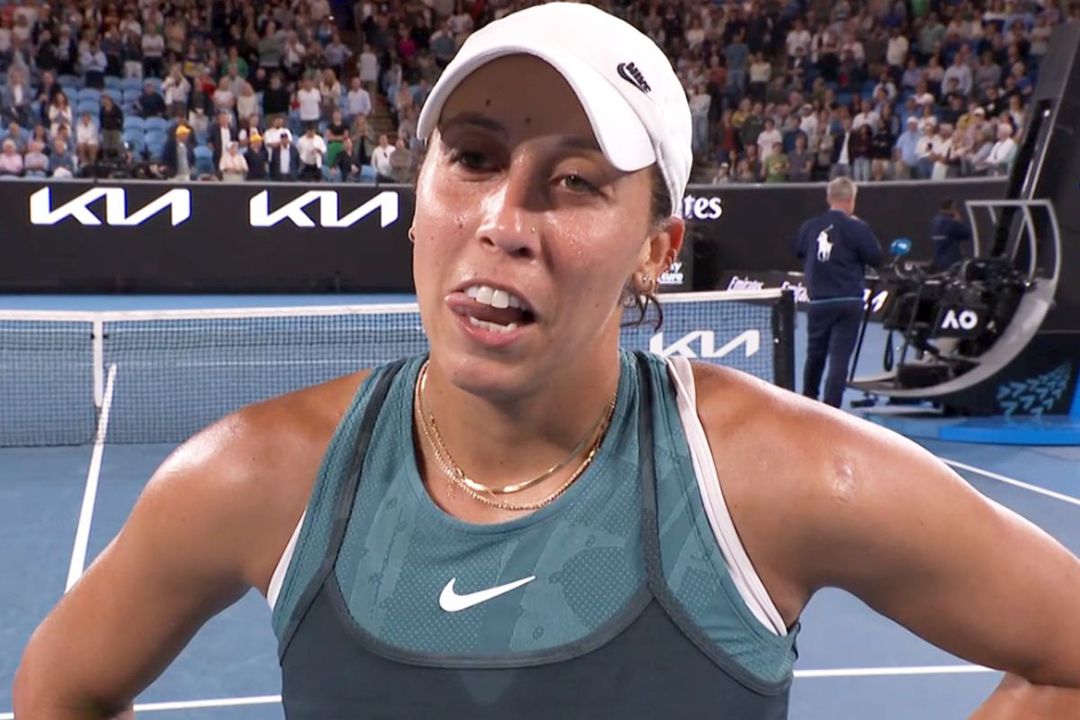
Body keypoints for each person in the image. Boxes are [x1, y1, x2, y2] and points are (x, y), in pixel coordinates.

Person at [14, 5, 1080, 720]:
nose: (503, 221)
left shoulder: (786, 478)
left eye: (574, 182)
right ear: (419, 196)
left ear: (657, 250)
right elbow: (59, 692)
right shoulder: (254, 476)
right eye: (473, 159)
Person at [792, 177, 883, 407]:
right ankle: (832, 409)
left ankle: (808, 402)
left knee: (815, 354)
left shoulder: (810, 226)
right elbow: (876, 257)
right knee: (839, 358)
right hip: (848, 300)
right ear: (851, 199)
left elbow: (798, 249)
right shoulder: (857, 227)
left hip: (819, 301)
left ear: (828, 198)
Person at [930, 198, 972, 272]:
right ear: (952, 208)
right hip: (952, 262)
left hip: (938, 261)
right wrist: (958, 222)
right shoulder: (951, 223)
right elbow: (967, 234)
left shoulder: (935, 222)